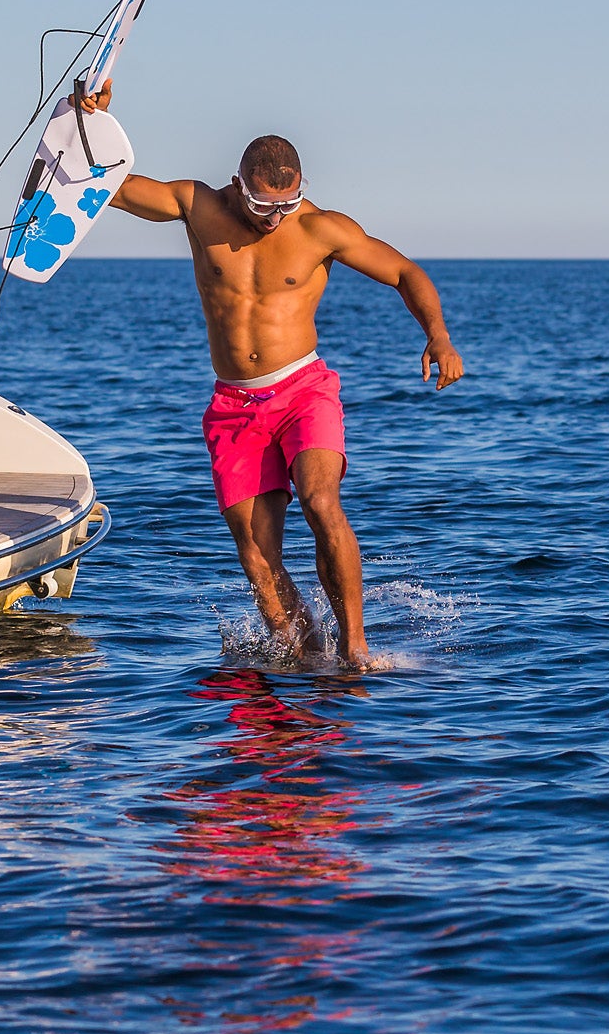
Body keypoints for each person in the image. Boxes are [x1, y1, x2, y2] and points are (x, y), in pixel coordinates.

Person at [84, 82, 464, 669]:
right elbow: (112, 186)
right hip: (234, 406)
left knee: (319, 500)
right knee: (258, 559)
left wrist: (437, 334)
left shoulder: (319, 230)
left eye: (286, 205)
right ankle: (304, 656)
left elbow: (405, 273)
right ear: (239, 186)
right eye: (263, 206)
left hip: (303, 391)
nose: (274, 219)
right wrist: (91, 125)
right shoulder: (197, 205)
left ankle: (354, 647)